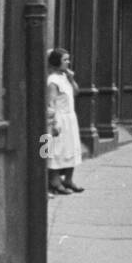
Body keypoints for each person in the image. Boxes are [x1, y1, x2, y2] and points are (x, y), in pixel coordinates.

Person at [46, 49, 84, 195]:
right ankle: (55, 181)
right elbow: (51, 103)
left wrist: (71, 78)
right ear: (56, 62)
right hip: (59, 119)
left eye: (68, 59)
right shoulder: (53, 80)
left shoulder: (65, 77)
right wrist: (54, 123)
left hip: (70, 118)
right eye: (65, 60)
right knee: (56, 150)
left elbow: (76, 92)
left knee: (71, 148)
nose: (68, 62)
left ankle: (68, 179)